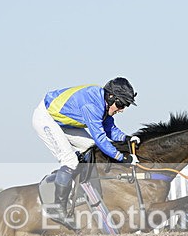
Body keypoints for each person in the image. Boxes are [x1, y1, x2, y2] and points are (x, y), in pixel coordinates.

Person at [32, 77, 141, 227]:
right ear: (110, 97)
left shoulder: (104, 103)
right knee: (70, 160)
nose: (121, 110)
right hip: (46, 119)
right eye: (121, 104)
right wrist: (122, 158)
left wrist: (126, 138)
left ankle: (79, 192)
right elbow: (101, 138)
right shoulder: (92, 106)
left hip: (62, 121)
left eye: (125, 106)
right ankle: (57, 208)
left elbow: (110, 129)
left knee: (89, 146)